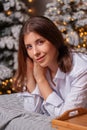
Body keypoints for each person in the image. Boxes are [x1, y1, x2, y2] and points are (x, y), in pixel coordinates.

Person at [13, 16, 87, 117]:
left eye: (40, 42)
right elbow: (32, 111)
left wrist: (41, 80)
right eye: (29, 47)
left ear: (54, 39)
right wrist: (30, 75)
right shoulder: (41, 66)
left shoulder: (81, 70)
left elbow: (67, 117)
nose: (35, 53)